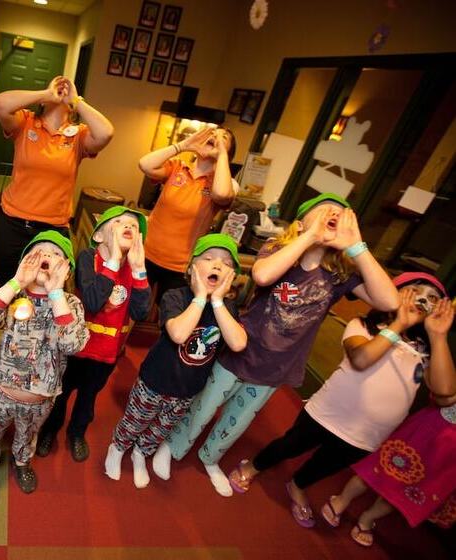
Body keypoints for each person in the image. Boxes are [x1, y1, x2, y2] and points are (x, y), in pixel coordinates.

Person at [158, 193, 399, 498]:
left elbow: (389, 302)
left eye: (340, 214)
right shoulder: (278, 249)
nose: (332, 216)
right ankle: (174, 446)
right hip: (240, 352)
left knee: (237, 421)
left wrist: (357, 246)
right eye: (325, 210)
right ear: (300, 222)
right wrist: (309, 236)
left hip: (277, 368)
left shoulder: (339, 274)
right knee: (204, 407)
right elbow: (261, 275)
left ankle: (210, 458)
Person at [227, 273, 449, 527]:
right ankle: (254, 465)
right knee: (289, 445)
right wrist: (399, 324)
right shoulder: (363, 326)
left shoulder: (424, 350)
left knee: (325, 465)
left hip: (369, 434)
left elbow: (445, 393)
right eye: (415, 291)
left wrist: (438, 337)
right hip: (327, 414)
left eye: (432, 298)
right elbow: (361, 359)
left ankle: (297, 484)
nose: (422, 300)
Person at [104, 234, 246, 488]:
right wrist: (200, 298)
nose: (217, 264)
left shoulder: (227, 308)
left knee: (161, 428)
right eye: (209, 258)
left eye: (226, 263)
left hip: (187, 389)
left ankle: (141, 453)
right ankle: (118, 447)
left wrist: (217, 301)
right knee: (136, 421)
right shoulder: (176, 296)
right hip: (154, 381)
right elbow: (179, 334)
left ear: (231, 277)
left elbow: (237, 343)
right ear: (191, 269)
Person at [322, 296, 454, 546]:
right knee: (381, 469)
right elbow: (445, 393)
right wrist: (437, 336)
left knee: (410, 488)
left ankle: (368, 517)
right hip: (432, 430)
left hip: (450, 453)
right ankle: (342, 500)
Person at [0, 231, 89, 503]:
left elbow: (73, 344)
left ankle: (22, 461)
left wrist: (56, 293)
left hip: (41, 398)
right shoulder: (14, 295)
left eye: (55, 253)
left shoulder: (70, 304)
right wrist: (16, 281)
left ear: (67, 269)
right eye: (39, 251)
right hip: (3, 392)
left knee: (28, 434)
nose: (46, 255)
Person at [37, 206, 151, 462]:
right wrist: (113, 262)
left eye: (134, 226)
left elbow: (141, 312)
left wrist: (139, 269)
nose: (128, 227)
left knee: (88, 398)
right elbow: (92, 301)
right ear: (99, 236)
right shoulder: (89, 258)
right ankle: (50, 430)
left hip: (107, 354)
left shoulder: (135, 269)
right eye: (119, 222)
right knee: (60, 393)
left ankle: (77, 432)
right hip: (76, 350)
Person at [0, 75, 114, 287]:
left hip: (51, 231)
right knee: (1, 283)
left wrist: (77, 101)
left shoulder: (78, 135)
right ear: (43, 102)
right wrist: (46, 94)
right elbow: (1, 103)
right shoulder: (25, 122)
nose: (62, 90)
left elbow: (106, 133)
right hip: (11, 224)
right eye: (57, 89)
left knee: (44, 289)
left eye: (67, 92)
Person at [138, 126, 238, 303]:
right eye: (212, 134)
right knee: (133, 308)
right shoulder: (177, 167)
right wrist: (183, 145)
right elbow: (145, 164)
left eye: (224, 137)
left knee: (170, 314)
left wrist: (222, 155)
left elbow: (222, 194)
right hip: (144, 254)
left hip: (180, 266)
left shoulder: (227, 184)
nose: (215, 137)